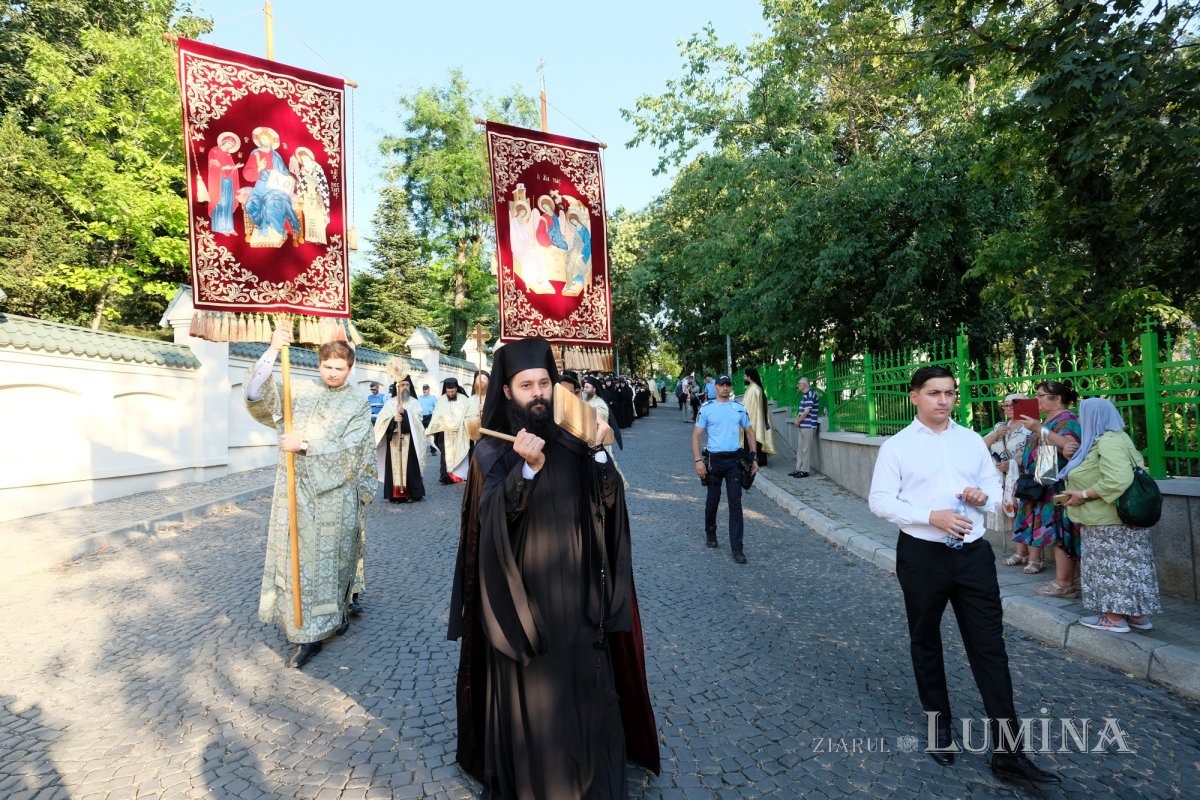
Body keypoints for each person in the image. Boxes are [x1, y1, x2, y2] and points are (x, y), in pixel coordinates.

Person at [446, 337, 660, 798]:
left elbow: (608, 502)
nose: (538, 393)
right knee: (537, 697)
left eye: (544, 382)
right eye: (527, 386)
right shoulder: (492, 449)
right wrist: (528, 470)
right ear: (507, 391)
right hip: (524, 601)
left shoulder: (574, 439)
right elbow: (489, 525)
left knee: (585, 686)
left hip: (580, 590)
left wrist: (602, 451)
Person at [868, 366, 1058, 784]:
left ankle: (1008, 752)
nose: (943, 400)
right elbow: (879, 501)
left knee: (990, 647)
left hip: (973, 555)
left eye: (950, 393)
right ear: (914, 396)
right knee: (926, 640)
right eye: (934, 393)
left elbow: (993, 491)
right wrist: (928, 516)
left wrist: (981, 496)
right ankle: (939, 728)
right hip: (922, 556)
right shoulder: (896, 447)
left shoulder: (972, 440)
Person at [244, 327, 376, 669]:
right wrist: (273, 350)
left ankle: (325, 625)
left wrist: (305, 445)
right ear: (318, 365)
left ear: (350, 369)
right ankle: (303, 629)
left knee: (330, 562)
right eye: (327, 367)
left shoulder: (357, 403)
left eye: (339, 368)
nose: (332, 374)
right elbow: (257, 395)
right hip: (294, 491)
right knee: (297, 561)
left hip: (336, 496)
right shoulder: (299, 389)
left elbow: (354, 449)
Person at [1059, 398, 1161, 633]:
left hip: (1107, 521)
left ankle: (1113, 618)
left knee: (1109, 569)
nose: (1080, 420)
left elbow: (1118, 479)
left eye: (1083, 415)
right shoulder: (1119, 438)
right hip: (1122, 520)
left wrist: (1083, 494)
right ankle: (1136, 615)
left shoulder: (1107, 442)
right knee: (1131, 568)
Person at [1015, 380, 1081, 598]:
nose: (1037, 399)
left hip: (1057, 486)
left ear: (1058, 399)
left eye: (1042, 395)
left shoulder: (1067, 419)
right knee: (1053, 532)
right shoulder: (1047, 419)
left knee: (1061, 532)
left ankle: (1064, 583)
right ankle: (1069, 581)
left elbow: (1069, 446)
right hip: (1042, 485)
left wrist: (1038, 429)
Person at [692, 375, 758, 564]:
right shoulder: (706, 409)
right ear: (716, 387)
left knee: (735, 504)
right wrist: (698, 461)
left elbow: (750, 432)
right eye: (722, 385)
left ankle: (737, 548)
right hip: (713, 461)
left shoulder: (738, 408)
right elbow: (696, 436)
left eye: (728, 385)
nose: (725, 388)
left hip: (734, 462)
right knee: (712, 501)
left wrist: (753, 457)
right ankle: (710, 533)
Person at [983, 394, 1035, 571]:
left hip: (1026, 477)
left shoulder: (1031, 425)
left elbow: (1036, 454)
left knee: (1028, 515)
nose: (1008, 408)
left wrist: (1011, 464)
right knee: (1014, 515)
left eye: (1013, 403)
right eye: (1005, 405)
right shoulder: (1001, 426)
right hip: (1005, 479)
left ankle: (1034, 557)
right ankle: (1021, 552)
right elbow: (980, 446)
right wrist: (996, 434)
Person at [241, 126, 301, 247]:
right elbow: (247, 173)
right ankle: (261, 228)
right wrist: (259, 168)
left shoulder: (276, 156)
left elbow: (284, 172)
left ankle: (275, 231)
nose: (264, 141)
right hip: (260, 185)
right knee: (250, 205)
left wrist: (290, 178)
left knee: (271, 203)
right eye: (262, 138)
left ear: (270, 141)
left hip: (275, 186)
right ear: (259, 141)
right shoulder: (255, 154)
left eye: (266, 139)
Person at [374, 375, 426, 503]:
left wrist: (406, 414)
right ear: (397, 387)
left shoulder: (414, 402)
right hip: (394, 442)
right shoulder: (390, 403)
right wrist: (392, 421)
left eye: (407, 385)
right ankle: (397, 494)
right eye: (402, 385)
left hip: (410, 442)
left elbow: (419, 421)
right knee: (394, 468)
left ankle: (412, 493)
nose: (405, 388)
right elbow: (381, 422)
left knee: (410, 468)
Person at [427, 377, 472, 484]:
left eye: (452, 391)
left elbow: (468, 414)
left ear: (457, 389)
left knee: (460, 454)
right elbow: (436, 416)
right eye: (448, 391)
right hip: (445, 433)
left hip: (460, 432)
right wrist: (432, 430)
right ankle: (445, 477)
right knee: (445, 456)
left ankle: (460, 476)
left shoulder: (464, 399)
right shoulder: (441, 399)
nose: (450, 393)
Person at [204, 131, 241, 235]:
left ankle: (229, 227)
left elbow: (230, 168)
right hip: (218, 181)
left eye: (231, 145)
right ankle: (220, 227)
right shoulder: (214, 151)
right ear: (223, 142)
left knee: (228, 202)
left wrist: (235, 168)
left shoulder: (228, 155)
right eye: (228, 143)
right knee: (220, 202)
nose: (229, 146)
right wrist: (223, 168)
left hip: (228, 181)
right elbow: (212, 165)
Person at [741, 367, 776, 467]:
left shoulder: (755, 389)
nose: (743, 377)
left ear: (749, 377)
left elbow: (751, 407)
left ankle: (757, 460)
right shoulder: (752, 388)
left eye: (745, 375)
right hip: (752, 419)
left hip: (753, 420)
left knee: (753, 439)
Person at [790, 377, 820, 478]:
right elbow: (801, 411)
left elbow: (807, 411)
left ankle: (805, 471)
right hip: (803, 425)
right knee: (800, 449)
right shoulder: (804, 396)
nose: (798, 385)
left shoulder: (811, 394)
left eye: (799, 384)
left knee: (805, 449)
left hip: (809, 425)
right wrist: (797, 420)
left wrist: (798, 421)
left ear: (804, 384)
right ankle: (798, 468)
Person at [418, 383, 438, 455]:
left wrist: (432, 412)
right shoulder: (419, 398)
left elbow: (437, 407)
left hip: (429, 417)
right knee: (420, 435)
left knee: (431, 434)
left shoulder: (433, 398)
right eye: (424, 389)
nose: (425, 390)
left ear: (429, 389)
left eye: (426, 389)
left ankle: (433, 451)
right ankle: (421, 451)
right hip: (421, 418)